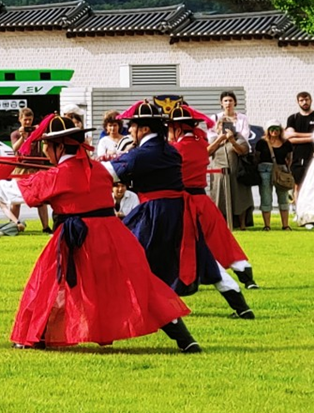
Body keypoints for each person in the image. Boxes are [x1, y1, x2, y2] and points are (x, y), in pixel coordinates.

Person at [0, 114, 198, 352]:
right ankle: (184, 338)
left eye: (48, 146)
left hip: (79, 237)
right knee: (141, 284)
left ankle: (32, 336)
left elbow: (15, 189)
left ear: (59, 147)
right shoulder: (98, 169)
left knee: (47, 284)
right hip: (115, 237)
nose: (46, 152)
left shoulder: (58, 175)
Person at [107, 100, 254, 319]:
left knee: (126, 254)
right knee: (204, 258)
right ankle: (242, 305)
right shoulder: (175, 149)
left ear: (145, 129)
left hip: (157, 213)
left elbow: (109, 173)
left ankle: (130, 309)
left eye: (133, 126)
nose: (129, 130)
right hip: (184, 208)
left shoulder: (154, 152)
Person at [168, 103, 258, 289]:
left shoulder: (175, 149)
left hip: (185, 202)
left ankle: (186, 280)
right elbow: (207, 149)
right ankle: (246, 276)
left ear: (177, 128)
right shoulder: (200, 144)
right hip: (203, 199)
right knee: (222, 239)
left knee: (185, 243)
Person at [208, 91, 253, 230]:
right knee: (219, 193)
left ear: (235, 102)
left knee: (240, 193)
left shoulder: (242, 118)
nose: (228, 103)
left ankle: (242, 223)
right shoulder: (215, 118)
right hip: (219, 165)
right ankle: (220, 222)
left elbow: (244, 139)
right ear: (221, 103)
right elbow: (209, 147)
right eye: (225, 101)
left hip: (236, 164)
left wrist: (232, 138)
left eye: (230, 100)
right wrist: (220, 137)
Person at [255, 120, 293, 231]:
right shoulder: (261, 142)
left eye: (277, 129)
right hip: (265, 170)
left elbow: (289, 158)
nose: (274, 131)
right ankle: (267, 225)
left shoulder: (286, 143)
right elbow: (257, 157)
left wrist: (286, 169)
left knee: (283, 197)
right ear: (267, 130)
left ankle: (285, 225)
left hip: (281, 170)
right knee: (266, 196)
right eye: (272, 129)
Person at [285, 92, 314, 202]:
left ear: (311, 100)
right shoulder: (293, 118)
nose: (304, 102)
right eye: (301, 100)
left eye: (307, 99)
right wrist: (313, 136)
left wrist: (297, 135)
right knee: (298, 185)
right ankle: (299, 212)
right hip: (297, 157)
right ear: (298, 102)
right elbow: (289, 137)